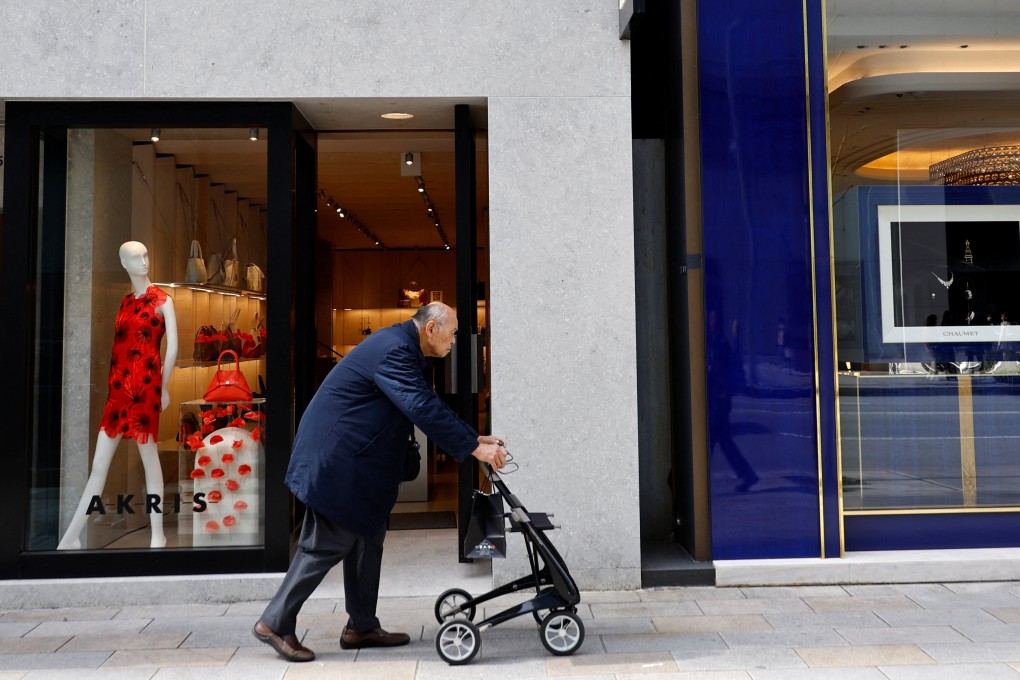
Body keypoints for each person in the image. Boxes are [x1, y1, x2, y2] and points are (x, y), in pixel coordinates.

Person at [253, 302, 507, 662]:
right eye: (451, 332)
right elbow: (418, 404)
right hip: (337, 464)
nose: (454, 340)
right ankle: (274, 621)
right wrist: (470, 447)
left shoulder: (402, 347)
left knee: (368, 538)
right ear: (430, 329)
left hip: (356, 465)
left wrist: (474, 438)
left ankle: (361, 626)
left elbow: (426, 402)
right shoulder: (394, 351)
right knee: (326, 543)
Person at [58, 241, 178, 549]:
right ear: (123, 263)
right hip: (118, 390)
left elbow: (173, 347)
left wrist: (164, 387)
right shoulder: (125, 303)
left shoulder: (163, 300)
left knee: (150, 460)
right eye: (135, 258)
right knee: (99, 465)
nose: (143, 262)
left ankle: (157, 534)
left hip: (145, 388)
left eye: (145, 255)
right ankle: (72, 536)